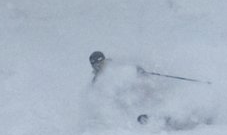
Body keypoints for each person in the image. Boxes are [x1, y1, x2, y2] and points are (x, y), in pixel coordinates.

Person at [83, 50, 215, 130]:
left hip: (137, 89)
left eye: (101, 62)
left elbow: (131, 68)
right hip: (125, 99)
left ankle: (181, 112)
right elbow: (98, 98)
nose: (100, 66)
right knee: (130, 100)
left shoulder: (117, 66)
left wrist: (139, 70)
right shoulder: (97, 81)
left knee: (150, 91)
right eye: (96, 65)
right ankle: (151, 117)